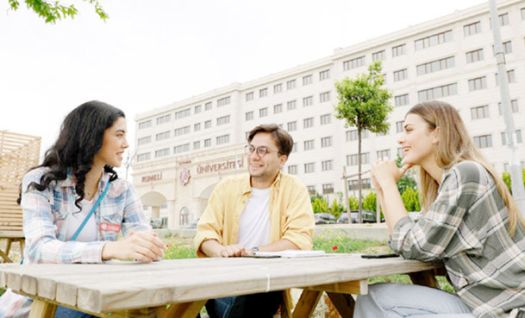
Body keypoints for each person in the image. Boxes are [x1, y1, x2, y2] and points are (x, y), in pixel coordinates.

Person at [356, 101, 525, 318]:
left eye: (408, 130)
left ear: (437, 134)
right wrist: (383, 189)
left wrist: (389, 185)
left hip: (511, 311)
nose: (400, 139)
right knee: (372, 297)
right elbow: (402, 241)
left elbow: (414, 245)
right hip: (482, 305)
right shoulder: (445, 186)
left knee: (378, 303)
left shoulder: (466, 173)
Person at [0, 101, 165, 318]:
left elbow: (141, 239)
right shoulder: (41, 181)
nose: (126, 144)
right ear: (93, 135)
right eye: (119, 134)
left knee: (155, 308)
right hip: (40, 302)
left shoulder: (121, 190)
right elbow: (38, 249)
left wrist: (147, 248)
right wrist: (109, 249)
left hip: (95, 292)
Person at [194, 123, 315, 318]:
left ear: (282, 159)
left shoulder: (294, 189)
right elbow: (205, 233)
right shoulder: (226, 187)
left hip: (267, 282)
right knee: (179, 296)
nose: (254, 156)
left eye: (263, 151)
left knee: (254, 295)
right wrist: (222, 251)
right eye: (251, 149)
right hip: (222, 280)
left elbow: (299, 239)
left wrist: (252, 253)